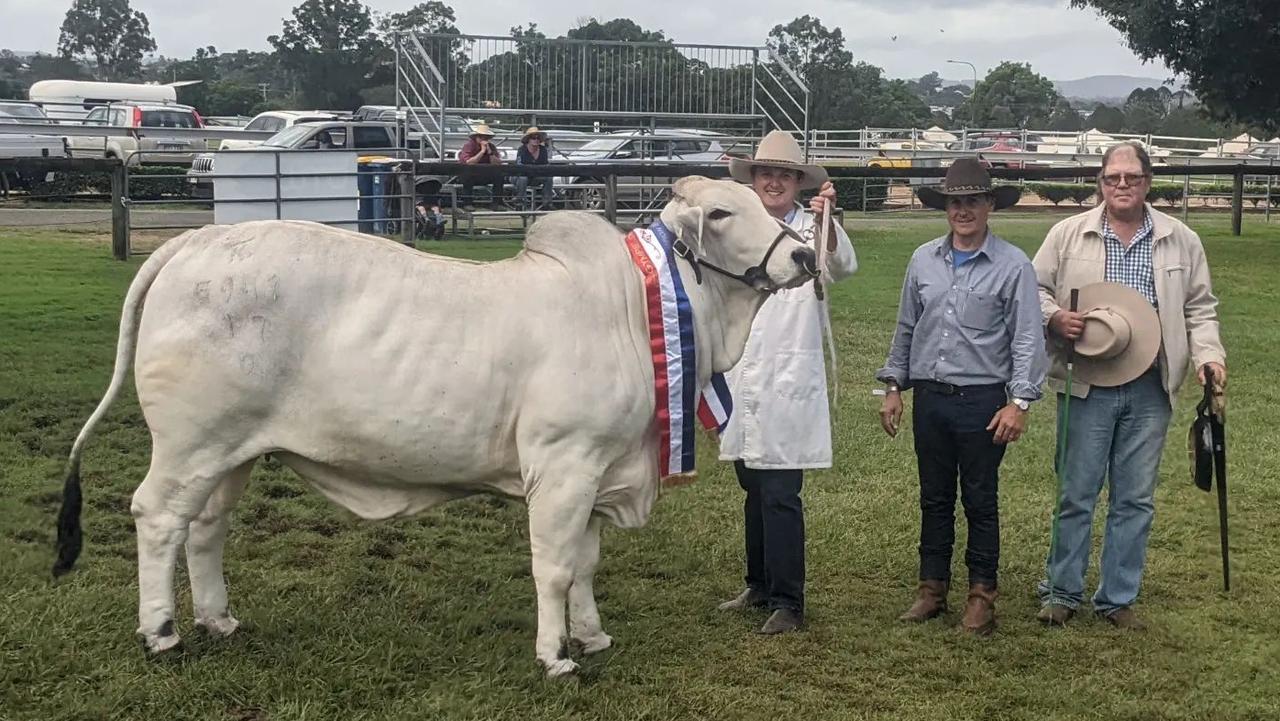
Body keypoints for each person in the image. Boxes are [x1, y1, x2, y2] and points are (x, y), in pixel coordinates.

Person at [1032, 140, 1226, 629]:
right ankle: (1061, 591)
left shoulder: (1181, 239)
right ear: (1100, 182)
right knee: (1075, 491)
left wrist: (1209, 357)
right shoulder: (1067, 235)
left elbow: (1199, 308)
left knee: (1134, 497)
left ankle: (1117, 598)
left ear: (1148, 183)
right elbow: (1031, 289)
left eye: (1132, 178)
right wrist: (1055, 317)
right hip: (1087, 380)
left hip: (1150, 384)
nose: (1122, 186)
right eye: (1113, 178)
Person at [876, 158, 1045, 636]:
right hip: (930, 397)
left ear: (990, 205)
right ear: (945, 207)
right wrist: (893, 386)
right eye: (955, 202)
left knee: (980, 500)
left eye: (973, 201)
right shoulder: (922, 260)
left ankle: (981, 596)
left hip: (983, 401)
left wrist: (1020, 402)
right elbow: (907, 327)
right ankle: (931, 590)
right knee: (933, 499)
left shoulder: (1014, 266)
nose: (963, 211)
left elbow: (1028, 338)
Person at [716, 130, 857, 635]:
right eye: (766, 173)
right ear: (753, 180)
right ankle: (758, 582)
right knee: (751, 484)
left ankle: (789, 601)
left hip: (787, 375)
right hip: (744, 372)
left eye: (784, 174)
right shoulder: (739, 231)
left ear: (798, 182)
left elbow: (843, 266)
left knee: (780, 490)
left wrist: (828, 222)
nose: (774, 181)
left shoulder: (811, 229)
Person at [458, 123, 503, 209]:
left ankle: (496, 203)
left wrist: (489, 152)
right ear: (476, 137)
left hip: (485, 175)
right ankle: (467, 203)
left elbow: (498, 163)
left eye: (486, 137)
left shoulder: (491, 147)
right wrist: (482, 152)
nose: (484, 139)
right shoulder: (469, 146)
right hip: (469, 174)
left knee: (499, 176)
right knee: (467, 176)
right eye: (481, 137)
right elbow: (469, 162)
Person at [513, 126, 554, 210]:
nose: (536, 140)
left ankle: (547, 202)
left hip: (535, 176)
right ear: (528, 139)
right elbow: (520, 167)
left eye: (538, 138)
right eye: (533, 138)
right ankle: (519, 202)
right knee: (522, 178)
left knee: (549, 177)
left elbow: (545, 165)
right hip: (520, 176)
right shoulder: (522, 149)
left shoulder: (543, 150)